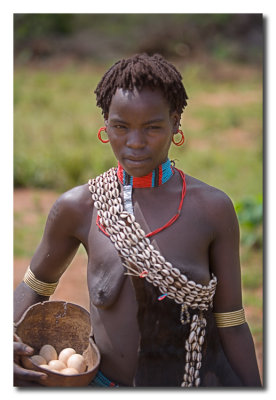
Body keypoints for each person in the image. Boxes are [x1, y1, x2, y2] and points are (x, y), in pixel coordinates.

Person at [14, 53, 262, 387]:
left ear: (176, 123)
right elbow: (34, 287)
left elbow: (231, 321)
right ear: (105, 125)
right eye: (121, 127)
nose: (134, 143)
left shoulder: (211, 210)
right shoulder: (80, 207)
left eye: (153, 128)